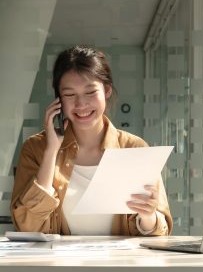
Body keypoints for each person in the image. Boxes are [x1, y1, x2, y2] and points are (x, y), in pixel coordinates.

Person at [10, 46, 173, 236]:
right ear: (59, 100)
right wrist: (51, 151)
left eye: (90, 92)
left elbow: (160, 234)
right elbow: (28, 228)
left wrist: (148, 215)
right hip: (58, 265)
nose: (81, 104)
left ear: (107, 90)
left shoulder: (134, 148)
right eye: (70, 94)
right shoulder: (35, 148)